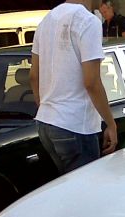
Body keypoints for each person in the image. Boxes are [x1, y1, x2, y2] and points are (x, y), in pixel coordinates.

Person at [29, 0, 118, 174]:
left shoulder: (46, 21)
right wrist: (111, 124)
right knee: (85, 192)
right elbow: (91, 82)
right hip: (76, 125)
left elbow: (33, 76)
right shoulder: (87, 21)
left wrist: (48, 109)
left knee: (69, 190)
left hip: (46, 123)